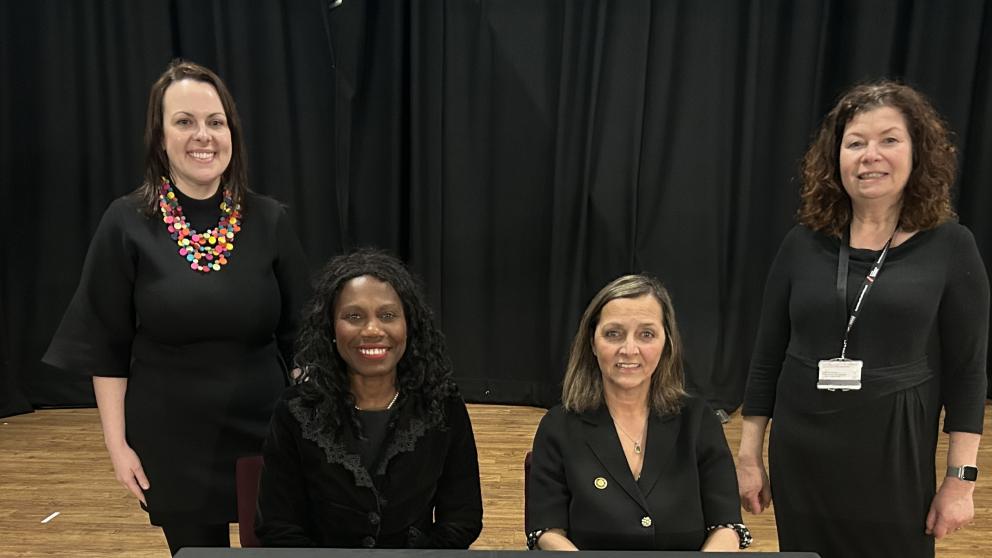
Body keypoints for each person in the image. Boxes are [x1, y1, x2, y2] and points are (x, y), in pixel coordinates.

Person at [43, 59, 310, 556]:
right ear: (160, 138)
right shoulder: (126, 223)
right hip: (172, 442)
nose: (202, 136)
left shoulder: (269, 219)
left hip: (267, 433)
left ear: (231, 134)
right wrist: (118, 448)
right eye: (184, 121)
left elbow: (301, 337)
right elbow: (106, 347)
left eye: (215, 122)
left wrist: (314, 428)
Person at [738, 81, 988, 558]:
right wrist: (749, 457)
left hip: (894, 457)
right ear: (836, 158)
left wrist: (960, 482)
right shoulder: (802, 243)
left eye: (889, 140)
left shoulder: (952, 247)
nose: (870, 155)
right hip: (802, 454)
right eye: (855, 143)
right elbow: (766, 358)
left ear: (918, 152)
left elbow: (968, 374)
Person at [255, 249, 483, 548]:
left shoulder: (442, 403)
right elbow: (278, 526)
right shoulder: (296, 410)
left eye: (387, 316)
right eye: (354, 316)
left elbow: (462, 519)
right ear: (331, 327)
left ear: (409, 325)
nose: (373, 330)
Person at [526, 274, 750, 552]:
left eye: (646, 334)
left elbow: (727, 527)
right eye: (613, 333)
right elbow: (547, 531)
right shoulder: (558, 426)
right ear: (592, 342)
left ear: (667, 342)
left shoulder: (699, 420)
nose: (629, 350)